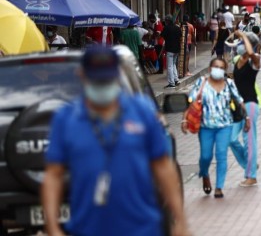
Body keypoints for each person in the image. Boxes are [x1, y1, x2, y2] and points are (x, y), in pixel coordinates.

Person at [42, 47, 189, 236]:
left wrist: (180, 220)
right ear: (82, 75)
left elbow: (163, 166)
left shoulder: (142, 111)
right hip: (87, 229)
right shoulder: (66, 119)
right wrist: (53, 228)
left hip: (142, 228)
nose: (102, 85)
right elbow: (53, 175)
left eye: (107, 79)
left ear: (117, 76)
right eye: (97, 80)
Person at [182, 58, 245, 199]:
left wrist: (246, 119)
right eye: (215, 66)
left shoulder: (229, 84)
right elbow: (191, 101)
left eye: (221, 67)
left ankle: (219, 187)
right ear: (210, 69)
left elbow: (240, 100)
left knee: (221, 155)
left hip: (225, 126)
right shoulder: (202, 83)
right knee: (205, 156)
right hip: (205, 127)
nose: (218, 69)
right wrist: (184, 119)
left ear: (224, 70)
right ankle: (204, 173)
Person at [230, 32, 261, 187]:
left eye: (243, 42)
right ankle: (250, 164)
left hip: (250, 104)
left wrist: (243, 35)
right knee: (230, 138)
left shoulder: (255, 60)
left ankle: (251, 176)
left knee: (249, 141)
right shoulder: (237, 60)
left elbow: (250, 53)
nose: (240, 45)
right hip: (237, 106)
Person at [161, 15, 182, 89]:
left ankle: (171, 83)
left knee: (169, 66)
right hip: (177, 49)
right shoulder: (177, 28)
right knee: (173, 65)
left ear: (167, 21)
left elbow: (162, 35)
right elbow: (180, 36)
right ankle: (176, 80)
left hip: (170, 49)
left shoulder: (166, 28)